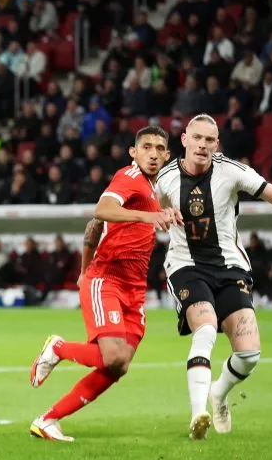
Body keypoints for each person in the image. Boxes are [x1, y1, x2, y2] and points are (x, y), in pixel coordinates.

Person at [154, 114, 272, 439]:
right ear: (184, 139)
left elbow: (263, 187)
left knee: (249, 354)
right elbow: (147, 208)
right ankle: (198, 415)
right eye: (198, 138)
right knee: (205, 328)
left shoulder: (230, 170)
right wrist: (158, 214)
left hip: (229, 267)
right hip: (185, 266)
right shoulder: (164, 178)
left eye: (210, 140)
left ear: (216, 144)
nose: (203, 145)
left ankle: (218, 393)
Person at [29, 126, 179, 441]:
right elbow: (101, 210)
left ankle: (48, 420)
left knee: (118, 366)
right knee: (111, 357)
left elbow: (93, 226)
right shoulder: (129, 177)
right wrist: (147, 218)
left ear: (167, 155)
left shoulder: (153, 191)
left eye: (160, 148)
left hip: (134, 293)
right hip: (108, 281)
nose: (153, 153)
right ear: (133, 152)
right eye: (147, 146)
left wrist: (82, 267)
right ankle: (58, 348)